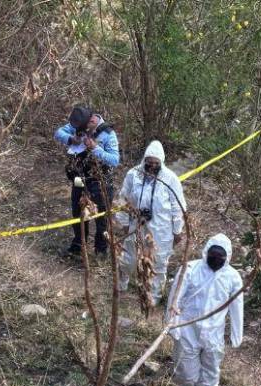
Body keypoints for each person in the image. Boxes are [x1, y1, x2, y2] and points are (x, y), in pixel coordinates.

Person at [165, 234, 244, 386]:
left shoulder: (232, 277)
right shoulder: (190, 269)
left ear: (227, 257)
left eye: (220, 257)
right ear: (206, 253)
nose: (216, 260)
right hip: (187, 327)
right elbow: (174, 298)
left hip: (214, 330)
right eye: (213, 256)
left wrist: (236, 334)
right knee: (185, 366)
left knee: (211, 366)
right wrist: (172, 324)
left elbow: (237, 306)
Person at [117, 140, 185, 304]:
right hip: (136, 225)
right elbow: (123, 199)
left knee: (159, 263)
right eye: (149, 162)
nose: (152, 166)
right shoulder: (134, 174)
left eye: (156, 163)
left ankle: (153, 297)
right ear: (144, 160)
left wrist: (177, 230)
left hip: (161, 230)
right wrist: (124, 222)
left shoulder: (170, 179)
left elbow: (178, 207)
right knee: (129, 258)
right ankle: (120, 285)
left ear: (161, 162)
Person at [55, 104, 120, 256]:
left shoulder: (108, 134)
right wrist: (72, 139)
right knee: (77, 212)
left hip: (100, 182)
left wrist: (96, 148)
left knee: (101, 218)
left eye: (83, 129)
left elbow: (115, 160)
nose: (81, 130)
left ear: (92, 121)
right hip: (79, 179)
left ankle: (100, 251)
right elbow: (58, 133)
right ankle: (78, 246)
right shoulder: (79, 123)